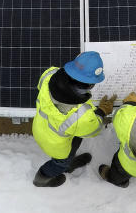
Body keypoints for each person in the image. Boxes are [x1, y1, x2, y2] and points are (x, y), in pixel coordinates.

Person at [32, 51, 115, 187]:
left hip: (40, 127)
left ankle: (67, 163)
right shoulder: (81, 116)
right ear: (91, 84)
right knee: (60, 162)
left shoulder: (49, 74)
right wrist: (102, 111)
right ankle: (42, 178)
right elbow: (93, 130)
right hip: (55, 145)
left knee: (73, 140)